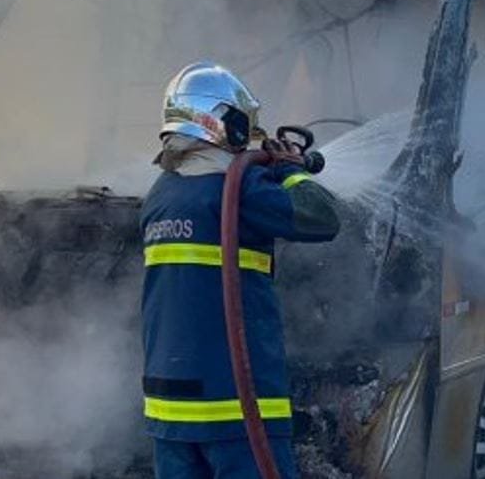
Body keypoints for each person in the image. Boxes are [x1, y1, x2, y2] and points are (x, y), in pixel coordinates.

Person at [140, 61, 340, 478]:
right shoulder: (239, 189)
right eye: (246, 125)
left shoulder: (160, 195)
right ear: (223, 123)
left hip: (170, 414)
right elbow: (322, 217)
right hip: (237, 411)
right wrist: (290, 172)